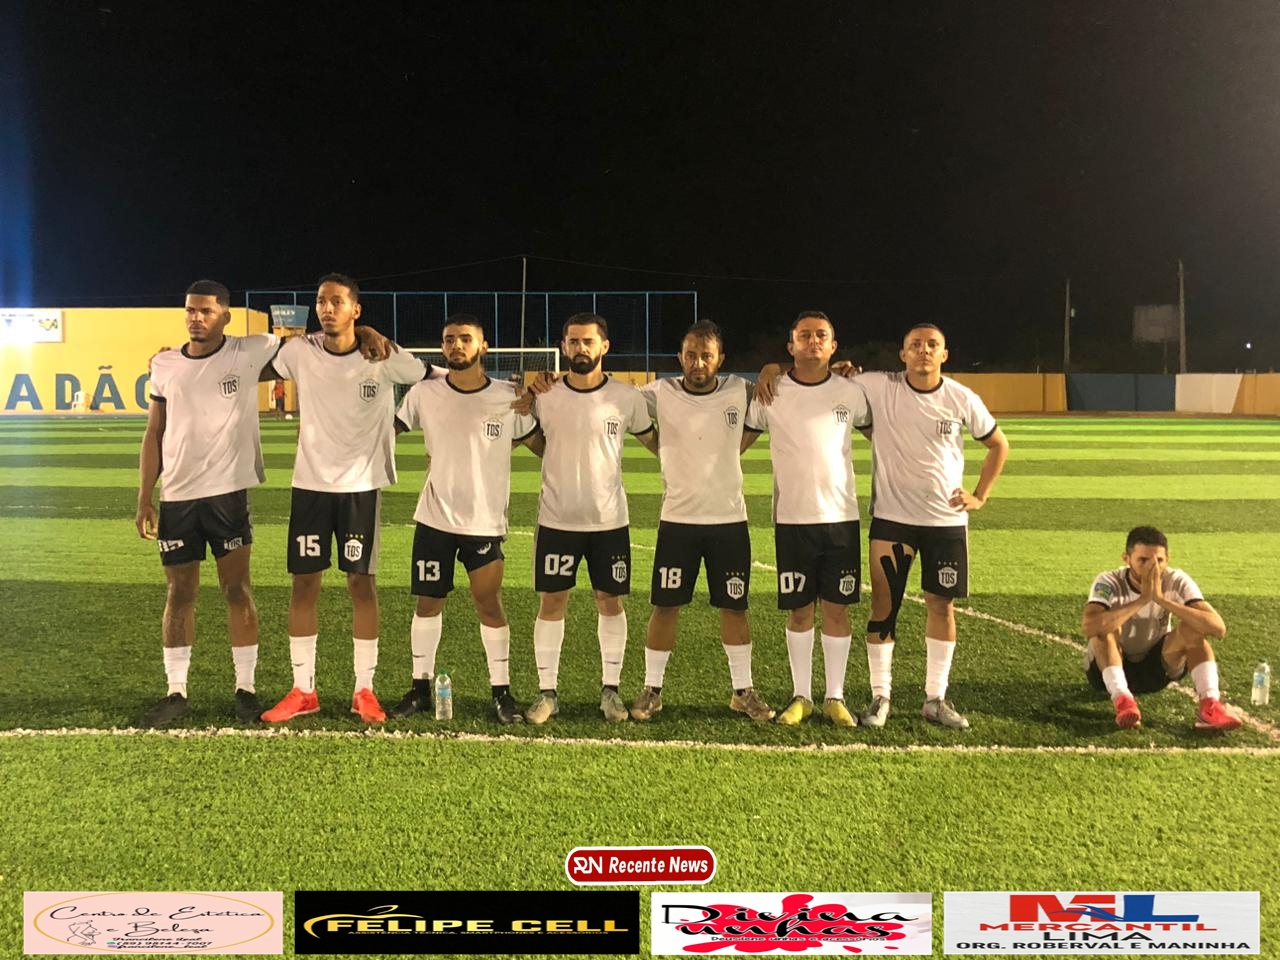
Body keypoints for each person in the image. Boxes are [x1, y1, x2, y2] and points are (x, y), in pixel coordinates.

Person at [260, 273, 429, 724]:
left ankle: (363, 690)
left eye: (337, 301)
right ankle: (303, 690)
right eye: (321, 301)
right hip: (310, 485)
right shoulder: (301, 351)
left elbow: (429, 376)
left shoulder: (383, 355)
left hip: (360, 487)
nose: (326, 308)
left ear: (356, 309)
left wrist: (377, 337)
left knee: (361, 585)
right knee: (304, 585)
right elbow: (249, 369)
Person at [850, 323, 1009, 731]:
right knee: (884, 607)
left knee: (942, 606)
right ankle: (880, 697)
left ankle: (935, 699)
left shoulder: (961, 397)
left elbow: (998, 444)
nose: (924, 350)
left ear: (944, 354)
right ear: (902, 354)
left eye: (932, 345)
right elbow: (828, 379)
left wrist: (980, 495)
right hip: (893, 519)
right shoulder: (880, 386)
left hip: (945, 521)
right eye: (915, 345)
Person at [388, 314, 542, 724]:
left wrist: (547, 402)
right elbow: (388, 430)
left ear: (483, 346)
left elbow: (542, 445)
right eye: (449, 339)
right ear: (442, 347)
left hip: (484, 522)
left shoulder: (509, 397)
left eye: (465, 339)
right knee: (427, 603)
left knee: (489, 603)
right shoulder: (424, 393)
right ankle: (420, 689)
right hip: (434, 518)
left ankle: (502, 693)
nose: (457, 345)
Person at [135, 279, 275, 726]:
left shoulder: (249, 351)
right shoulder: (165, 364)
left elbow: (315, 347)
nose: (196, 318)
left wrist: (365, 332)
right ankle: (176, 692)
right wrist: (144, 496)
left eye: (206, 311)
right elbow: (154, 432)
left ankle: (246, 689)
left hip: (227, 495)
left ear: (226, 316)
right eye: (190, 310)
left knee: (237, 590)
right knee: (180, 593)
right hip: (177, 497)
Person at [628, 320, 774, 722]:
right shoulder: (661, 392)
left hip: (729, 521)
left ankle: (743, 691)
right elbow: (618, 404)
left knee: (735, 607)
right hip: (678, 521)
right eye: (690, 355)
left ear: (720, 359)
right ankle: (652, 689)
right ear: (680, 357)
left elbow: (781, 391)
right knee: (665, 606)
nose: (697, 363)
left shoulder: (739, 390)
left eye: (706, 356)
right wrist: (655, 445)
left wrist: (772, 368)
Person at [523, 312, 659, 724]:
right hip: (557, 520)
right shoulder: (545, 395)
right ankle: (548, 693)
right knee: (552, 602)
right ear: (563, 346)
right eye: (573, 341)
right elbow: (532, 438)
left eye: (588, 341)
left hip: (609, 521)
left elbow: (656, 442)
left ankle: (611, 692)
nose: (580, 348)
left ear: (604, 347)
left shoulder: (626, 397)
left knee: (610, 601)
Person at [743, 311, 871, 728]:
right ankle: (802, 696)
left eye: (821, 336)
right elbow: (737, 442)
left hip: (841, 518)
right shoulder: (771, 391)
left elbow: (882, 435)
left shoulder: (851, 391)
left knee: (837, 610)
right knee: (799, 611)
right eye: (804, 336)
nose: (813, 341)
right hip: (793, 519)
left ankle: (835, 696)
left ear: (833, 346)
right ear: (791, 346)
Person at [1083, 525, 1239, 731]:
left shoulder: (1176, 580)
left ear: (1167, 559)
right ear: (1126, 559)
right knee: (1105, 631)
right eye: (1143, 560)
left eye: (1159, 560)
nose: (1152, 567)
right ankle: (1123, 701)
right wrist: (1142, 600)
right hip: (1106, 670)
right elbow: (1090, 627)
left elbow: (1218, 628)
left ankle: (1210, 706)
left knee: (1193, 629)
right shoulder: (1109, 581)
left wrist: (1162, 600)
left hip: (1157, 669)